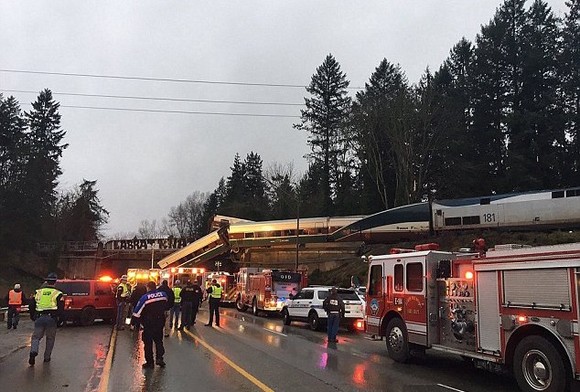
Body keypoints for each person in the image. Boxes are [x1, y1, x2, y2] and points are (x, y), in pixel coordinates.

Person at [28, 273, 64, 365]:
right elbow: (61, 308)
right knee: (50, 338)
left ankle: (33, 351)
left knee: (36, 337)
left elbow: (31, 305)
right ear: (55, 282)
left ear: (46, 281)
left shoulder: (38, 292)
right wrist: (60, 319)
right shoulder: (58, 293)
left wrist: (32, 316)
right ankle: (47, 358)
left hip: (39, 317)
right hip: (51, 319)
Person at [132, 281, 168, 368]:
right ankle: (160, 358)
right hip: (160, 321)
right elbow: (167, 304)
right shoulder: (163, 295)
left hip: (149, 323)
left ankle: (150, 362)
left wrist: (133, 323)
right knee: (159, 341)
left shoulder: (145, 298)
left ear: (148, 287)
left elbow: (137, 312)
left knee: (148, 343)